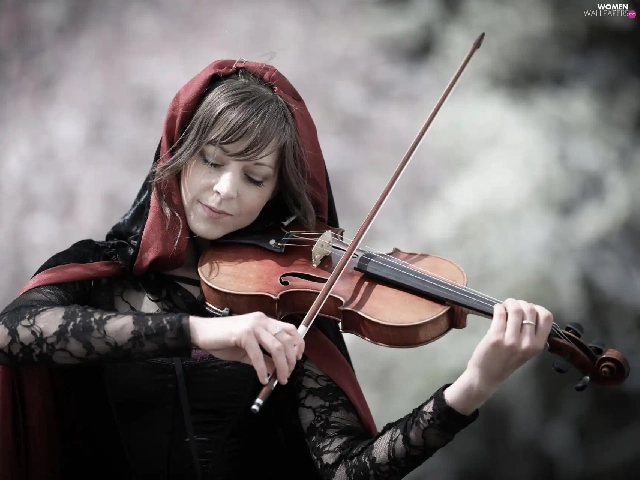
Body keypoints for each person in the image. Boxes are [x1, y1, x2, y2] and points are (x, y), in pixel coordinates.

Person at [0, 60, 554, 480]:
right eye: (212, 161)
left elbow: (347, 470)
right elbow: (13, 333)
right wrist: (204, 333)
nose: (225, 189)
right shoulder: (103, 274)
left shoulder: (288, 302)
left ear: (276, 192)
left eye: (254, 177)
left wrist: (473, 386)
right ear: (176, 154)